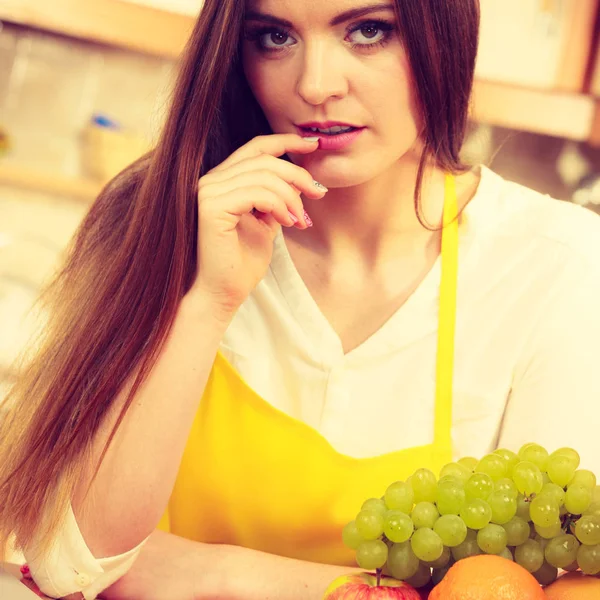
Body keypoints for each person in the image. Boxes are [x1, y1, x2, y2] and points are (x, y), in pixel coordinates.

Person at [1, 0, 600, 598]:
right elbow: (63, 562)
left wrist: (206, 573)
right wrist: (208, 301)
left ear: (444, 32)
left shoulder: (557, 266)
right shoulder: (157, 216)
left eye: (369, 31)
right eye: (274, 37)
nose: (314, 85)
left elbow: (544, 588)